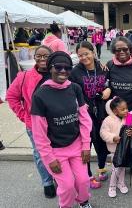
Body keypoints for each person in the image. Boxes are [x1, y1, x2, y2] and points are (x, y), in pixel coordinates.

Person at [30, 51, 93, 208]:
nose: (63, 71)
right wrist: (49, 158)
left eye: (67, 68)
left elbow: (84, 119)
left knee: (83, 181)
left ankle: (84, 202)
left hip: (77, 145)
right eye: (58, 67)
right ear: (50, 68)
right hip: (55, 150)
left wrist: (86, 145)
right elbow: (39, 133)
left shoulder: (75, 88)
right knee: (67, 186)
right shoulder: (40, 95)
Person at [6, 45, 56, 198]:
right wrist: (23, 116)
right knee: (40, 155)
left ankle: (59, 178)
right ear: (34, 58)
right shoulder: (24, 76)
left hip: (56, 124)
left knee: (56, 153)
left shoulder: (59, 73)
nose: (42, 59)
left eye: (45, 56)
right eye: (38, 56)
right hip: (34, 126)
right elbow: (11, 96)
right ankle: (47, 182)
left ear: (52, 57)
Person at [69, 41, 111, 189]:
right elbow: (70, 91)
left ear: (93, 52)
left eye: (86, 53)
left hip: (101, 110)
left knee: (101, 141)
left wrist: (108, 90)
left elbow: (108, 82)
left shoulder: (102, 67)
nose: (83, 57)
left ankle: (101, 168)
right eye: (80, 55)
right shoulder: (75, 72)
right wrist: (78, 102)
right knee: (86, 144)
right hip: (85, 114)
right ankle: (87, 175)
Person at [106, 36, 132, 168]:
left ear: (131, 50)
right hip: (116, 114)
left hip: (131, 113)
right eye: (118, 50)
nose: (121, 52)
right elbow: (104, 81)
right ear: (113, 51)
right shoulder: (110, 65)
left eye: (125, 49)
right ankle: (121, 165)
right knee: (120, 139)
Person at [100, 97, 132, 198]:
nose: (126, 110)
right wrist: (113, 138)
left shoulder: (129, 117)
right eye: (122, 109)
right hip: (114, 150)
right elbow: (103, 133)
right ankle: (112, 186)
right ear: (114, 111)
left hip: (125, 148)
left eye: (126, 108)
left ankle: (120, 183)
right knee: (116, 168)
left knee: (122, 167)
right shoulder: (108, 120)